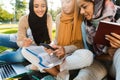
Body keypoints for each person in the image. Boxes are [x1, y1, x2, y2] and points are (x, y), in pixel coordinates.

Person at [22, 0, 94, 79]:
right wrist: (52, 47)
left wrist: (64, 49)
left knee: (88, 56)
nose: (64, 5)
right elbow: (57, 40)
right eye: (62, 2)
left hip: (72, 55)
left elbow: (81, 45)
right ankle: (58, 74)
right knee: (24, 50)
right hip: (57, 53)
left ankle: (44, 66)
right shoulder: (59, 17)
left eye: (67, 2)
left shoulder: (83, 16)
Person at [0, 0, 52, 67]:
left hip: (31, 47)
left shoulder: (48, 17)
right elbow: (19, 40)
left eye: (43, 6)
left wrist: (49, 47)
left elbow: (49, 38)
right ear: (31, 7)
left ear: (46, 6)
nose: (40, 9)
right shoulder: (24, 19)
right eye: (36, 6)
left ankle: (4, 56)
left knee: (19, 57)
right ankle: (14, 50)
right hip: (20, 40)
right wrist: (23, 43)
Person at [77, 0, 120, 80]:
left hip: (116, 63)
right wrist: (107, 56)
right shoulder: (85, 25)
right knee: (83, 77)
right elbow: (90, 55)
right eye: (80, 8)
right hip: (99, 64)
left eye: (84, 6)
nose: (81, 12)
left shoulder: (118, 14)